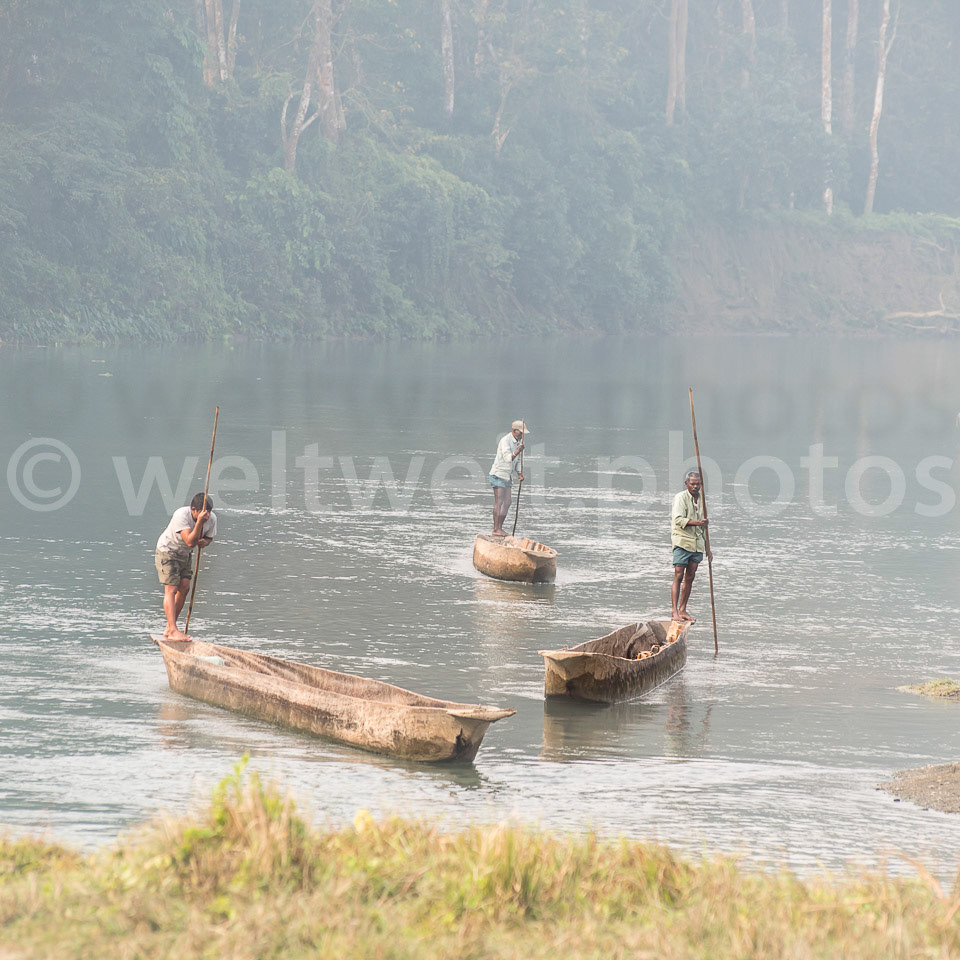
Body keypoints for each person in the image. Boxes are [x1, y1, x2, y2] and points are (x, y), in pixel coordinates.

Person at [155, 492, 217, 640]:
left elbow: (209, 537)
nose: (206, 515)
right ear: (193, 509)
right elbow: (189, 541)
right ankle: (173, 630)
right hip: (168, 551)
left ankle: (170, 628)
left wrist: (205, 543)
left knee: (184, 587)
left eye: (208, 511)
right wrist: (200, 523)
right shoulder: (181, 515)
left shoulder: (212, 518)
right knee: (171, 589)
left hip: (184, 554)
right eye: (202, 512)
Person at [670, 470, 712, 623]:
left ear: (701, 485)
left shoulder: (703, 501)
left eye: (698, 484)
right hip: (683, 541)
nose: (695, 486)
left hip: (697, 544)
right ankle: (674, 611)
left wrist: (708, 549)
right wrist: (698, 523)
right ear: (686, 484)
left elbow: (704, 527)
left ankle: (683, 610)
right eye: (692, 484)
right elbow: (679, 520)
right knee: (679, 575)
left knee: (690, 576)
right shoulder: (680, 498)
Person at [488, 420, 528, 536]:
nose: (522, 436)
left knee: (508, 502)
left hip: (507, 476)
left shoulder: (519, 442)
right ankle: (496, 529)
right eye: (520, 433)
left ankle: (499, 528)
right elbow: (507, 458)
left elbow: (518, 460)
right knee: (499, 501)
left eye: (523, 434)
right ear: (514, 431)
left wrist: (519, 473)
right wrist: (517, 450)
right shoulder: (505, 440)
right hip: (498, 474)